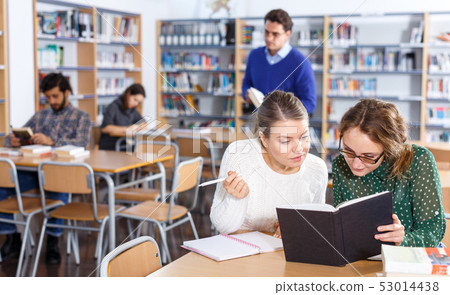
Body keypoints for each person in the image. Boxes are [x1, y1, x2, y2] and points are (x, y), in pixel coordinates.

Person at [1, 73, 91, 264]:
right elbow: (12, 136)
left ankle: (52, 241)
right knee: (2, 186)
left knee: (57, 188)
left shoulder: (81, 116)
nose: (52, 101)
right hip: (32, 173)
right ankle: (12, 239)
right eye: (48, 97)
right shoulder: (41, 115)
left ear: (67, 93)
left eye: (55, 96)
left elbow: (82, 143)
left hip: (60, 174)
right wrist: (14, 139)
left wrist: (53, 141)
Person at [210, 90, 328, 235]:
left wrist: (296, 227)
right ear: (264, 139)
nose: (299, 149)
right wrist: (235, 199)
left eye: (304, 137)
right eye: (285, 141)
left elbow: (316, 226)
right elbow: (222, 227)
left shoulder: (317, 169)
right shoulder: (239, 156)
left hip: (286, 253)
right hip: (242, 251)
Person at [332, 98, 446, 247]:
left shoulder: (419, 160)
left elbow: (433, 229)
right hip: (363, 258)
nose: (355, 164)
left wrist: (403, 239)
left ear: (389, 149)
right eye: (348, 150)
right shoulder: (340, 164)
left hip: (411, 256)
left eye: (368, 156)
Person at [242, 9, 317, 114]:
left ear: (287, 34)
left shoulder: (301, 63)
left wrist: (281, 111)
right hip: (260, 122)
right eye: (267, 32)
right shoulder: (254, 55)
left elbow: (309, 103)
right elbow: (247, 82)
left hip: (287, 126)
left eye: (275, 34)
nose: (269, 38)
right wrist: (246, 93)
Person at [99, 83, 145, 150]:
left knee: (141, 149)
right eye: (135, 100)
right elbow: (105, 128)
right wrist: (126, 129)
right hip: (111, 145)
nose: (136, 104)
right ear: (128, 94)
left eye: (138, 102)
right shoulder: (113, 107)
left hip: (124, 143)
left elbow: (144, 123)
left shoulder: (132, 110)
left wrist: (138, 127)